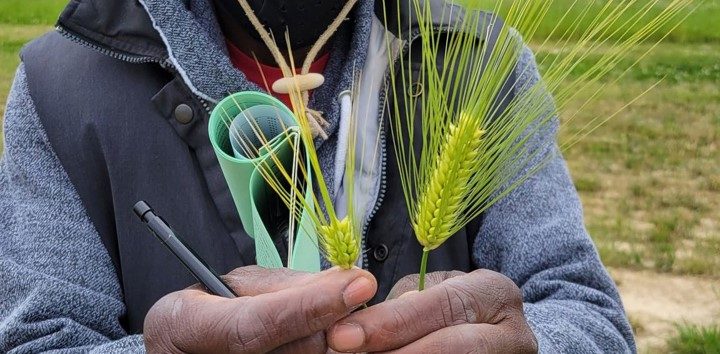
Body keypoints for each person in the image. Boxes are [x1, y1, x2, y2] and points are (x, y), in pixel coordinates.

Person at [0, 0, 635, 352]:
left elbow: (589, 316)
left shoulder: (480, 68)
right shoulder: (62, 88)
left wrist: (530, 346)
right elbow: (36, 341)